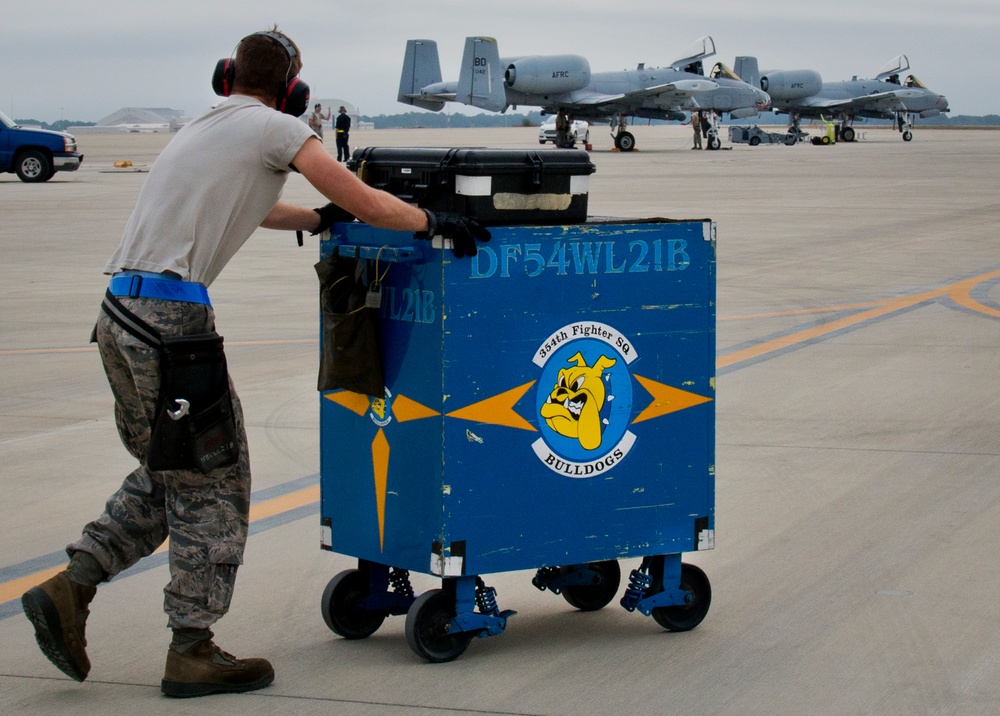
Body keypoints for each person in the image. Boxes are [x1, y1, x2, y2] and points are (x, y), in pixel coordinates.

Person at [19, 27, 489, 700]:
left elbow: (257, 208)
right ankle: (192, 649)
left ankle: (72, 587)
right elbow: (361, 195)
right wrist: (428, 221)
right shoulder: (274, 129)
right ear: (292, 90)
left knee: (173, 470)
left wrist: (316, 220)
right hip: (169, 325)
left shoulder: (204, 127)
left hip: (118, 312)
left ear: (226, 77)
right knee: (216, 481)